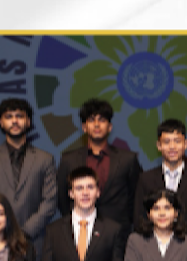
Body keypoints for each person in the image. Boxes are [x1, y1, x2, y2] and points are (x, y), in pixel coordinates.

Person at [0, 98, 57, 261]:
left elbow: (49, 201)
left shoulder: (45, 159)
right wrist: (1, 230)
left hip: (33, 241)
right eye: (9, 117)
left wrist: (24, 233)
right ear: (1, 123)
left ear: (28, 122)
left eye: (19, 116)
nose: (14, 121)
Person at [57, 98, 142, 229]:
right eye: (91, 120)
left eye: (102, 120)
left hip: (119, 230)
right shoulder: (69, 160)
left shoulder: (128, 159)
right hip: (80, 229)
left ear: (110, 127)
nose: (97, 125)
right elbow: (62, 197)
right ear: (84, 127)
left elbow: (137, 196)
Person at [133, 119, 187, 237]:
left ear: (186, 144)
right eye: (166, 142)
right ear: (159, 145)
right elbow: (139, 217)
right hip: (152, 244)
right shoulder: (146, 179)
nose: (172, 147)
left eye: (177, 141)